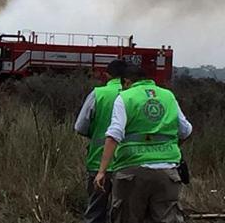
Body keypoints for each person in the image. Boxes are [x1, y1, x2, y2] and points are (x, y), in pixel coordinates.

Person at [94, 64, 192, 223]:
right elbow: (186, 130)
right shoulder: (168, 96)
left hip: (132, 171)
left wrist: (102, 171)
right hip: (167, 172)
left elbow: (114, 135)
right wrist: (169, 149)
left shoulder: (126, 97)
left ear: (126, 82)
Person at [74, 59, 127, 223]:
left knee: (96, 212)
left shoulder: (98, 94)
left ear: (107, 74)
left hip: (98, 163)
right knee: (125, 214)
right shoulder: (132, 96)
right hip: (128, 163)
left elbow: (80, 127)